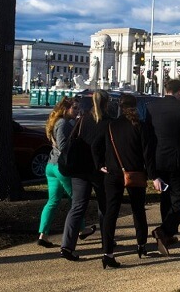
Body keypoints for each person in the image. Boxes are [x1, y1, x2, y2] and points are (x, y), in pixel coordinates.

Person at [92, 94, 154, 269]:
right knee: (138, 210)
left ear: (119, 107)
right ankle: (141, 244)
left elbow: (95, 146)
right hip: (135, 173)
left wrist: (99, 165)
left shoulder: (110, 126)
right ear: (135, 106)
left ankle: (107, 252)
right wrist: (151, 173)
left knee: (111, 212)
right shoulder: (139, 126)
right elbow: (147, 154)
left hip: (112, 173)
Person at [145, 79, 180, 256]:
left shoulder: (151, 107)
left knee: (166, 198)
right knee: (179, 199)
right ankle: (165, 230)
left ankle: (166, 234)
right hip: (178, 160)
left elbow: (149, 137)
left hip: (159, 160)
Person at [59, 91, 110, 261]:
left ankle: (67, 245)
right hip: (99, 170)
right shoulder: (108, 122)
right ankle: (106, 241)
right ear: (106, 103)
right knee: (104, 207)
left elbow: (73, 139)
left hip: (79, 169)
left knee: (78, 206)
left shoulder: (82, 120)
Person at [37, 97, 79, 252]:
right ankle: (81, 230)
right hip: (60, 167)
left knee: (53, 201)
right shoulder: (62, 123)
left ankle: (43, 235)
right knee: (77, 200)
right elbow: (63, 146)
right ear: (65, 109)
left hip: (52, 166)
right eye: (75, 108)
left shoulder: (59, 122)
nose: (77, 111)